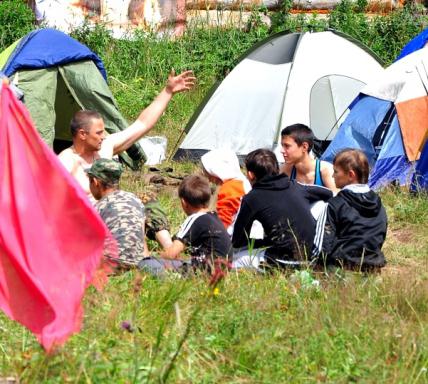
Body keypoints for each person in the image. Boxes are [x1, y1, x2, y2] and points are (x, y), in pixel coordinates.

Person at [58, 69, 195, 197]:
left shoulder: (106, 148)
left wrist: (168, 91)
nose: (103, 136)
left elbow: (142, 124)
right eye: (98, 133)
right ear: (82, 134)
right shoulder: (65, 162)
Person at [232, 149, 332, 268]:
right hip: (312, 256)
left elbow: (237, 241)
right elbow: (328, 194)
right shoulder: (296, 186)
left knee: (233, 259)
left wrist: (267, 241)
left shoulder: (251, 198)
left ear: (250, 175)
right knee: (319, 204)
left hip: (282, 260)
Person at [139, 175, 232, 275]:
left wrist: (153, 256)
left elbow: (171, 254)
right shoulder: (215, 217)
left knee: (145, 263)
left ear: (184, 202)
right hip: (222, 270)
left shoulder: (194, 218)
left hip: (203, 271)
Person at [321, 149, 387, 271]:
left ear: (351, 175)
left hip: (342, 269)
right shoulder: (378, 204)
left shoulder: (335, 204)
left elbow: (324, 243)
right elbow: (380, 237)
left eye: (336, 172)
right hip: (372, 269)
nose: (332, 176)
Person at [85, 158, 147, 268]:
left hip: (109, 264)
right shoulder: (135, 200)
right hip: (137, 263)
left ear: (95, 182)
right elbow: (142, 237)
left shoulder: (99, 207)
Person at [201, 148, 251, 235]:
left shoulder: (230, 188)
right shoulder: (242, 181)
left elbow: (222, 223)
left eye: (209, 174)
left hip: (231, 238)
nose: (209, 180)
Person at [280, 124, 337, 191]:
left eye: (287, 146)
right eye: (282, 146)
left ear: (304, 147)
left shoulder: (327, 171)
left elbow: (338, 199)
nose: (281, 151)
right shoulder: (283, 170)